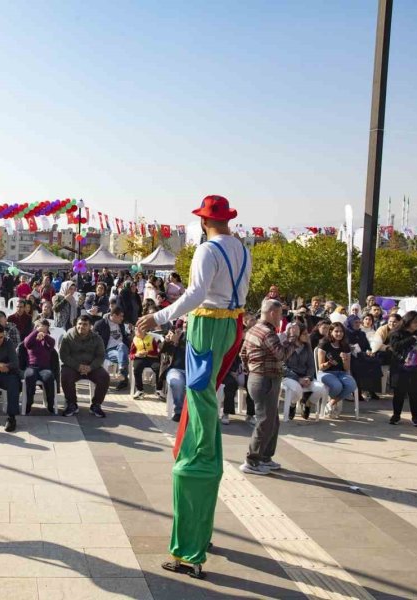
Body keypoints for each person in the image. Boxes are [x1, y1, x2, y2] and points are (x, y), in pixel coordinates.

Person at [136, 195, 251, 576]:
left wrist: (159, 317)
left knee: (199, 393)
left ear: (204, 222)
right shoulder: (242, 249)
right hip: (233, 325)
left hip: (208, 324)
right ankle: (201, 439)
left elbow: (196, 294)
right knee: (205, 392)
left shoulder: (207, 250)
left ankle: (189, 551)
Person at [239, 300, 296, 476]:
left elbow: (243, 354)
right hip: (265, 380)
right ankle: (252, 461)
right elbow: (282, 354)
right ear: (272, 313)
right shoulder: (267, 333)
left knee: (272, 420)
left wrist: (252, 370)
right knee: (264, 421)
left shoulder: (252, 329)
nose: (281, 319)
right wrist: (292, 340)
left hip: (258, 378)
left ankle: (265, 457)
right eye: (280, 314)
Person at [388, 311, 417, 427]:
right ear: (408, 321)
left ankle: (415, 417)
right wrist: (411, 339)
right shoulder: (397, 333)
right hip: (400, 367)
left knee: (415, 394)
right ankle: (396, 415)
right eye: (415, 322)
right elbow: (395, 347)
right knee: (399, 393)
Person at [59, 314, 109, 418]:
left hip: (91, 367)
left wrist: (90, 367)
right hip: (73, 366)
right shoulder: (68, 336)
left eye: (85, 324)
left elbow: (100, 356)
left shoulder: (96, 338)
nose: (81, 326)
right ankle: (72, 404)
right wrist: (78, 366)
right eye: (79, 324)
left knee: (104, 376)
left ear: (90, 326)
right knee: (65, 375)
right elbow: (64, 355)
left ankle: (96, 405)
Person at [283, 323, 327, 420]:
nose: (308, 336)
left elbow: (311, 365)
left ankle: (307, 403)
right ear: (298, 334)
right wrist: (298, 379)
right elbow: (282, 366)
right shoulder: (287, 346)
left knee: (321, 389)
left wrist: (308, 377)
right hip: (289, 377)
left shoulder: (307, 347)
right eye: (305, 334)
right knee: (297, 389)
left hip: (305, 377)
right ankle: (292, 404)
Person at [316, 323, 357, 418]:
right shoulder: (324, 344)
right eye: (336, 331)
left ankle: (331, 403)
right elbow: (321, 367)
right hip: (326, 373)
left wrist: (345, 359)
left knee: (352, 385)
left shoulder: (345, 346)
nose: (339, 334)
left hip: (341, 373)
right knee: (337, 386)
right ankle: (332, 406)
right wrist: (329, 363)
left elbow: (347, 368)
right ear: (331, 332)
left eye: (341, 331)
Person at [345, 315, 382, 401]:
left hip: (363, 355)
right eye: (355, 322)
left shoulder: (361, 333)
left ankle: (372, 390)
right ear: (350, 323)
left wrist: (369, 351)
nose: (358, 324)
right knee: (359, 365)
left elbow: (367, 346)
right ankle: (358, 392)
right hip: (352, 357)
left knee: (375, 363)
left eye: (359, 322)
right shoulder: (346, 333)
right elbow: (347, 346)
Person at [23, 319, 57, 413]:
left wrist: (45, 336)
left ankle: (50, 403)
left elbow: (52, 343)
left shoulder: (48, 340)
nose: (42, 332)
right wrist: (37, 331)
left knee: (49, 377)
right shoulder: (31, 339)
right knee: (29, 376)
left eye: (45, 330)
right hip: (31, 366)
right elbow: (26, 343)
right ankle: (29, 402)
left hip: (44, 368)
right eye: (40, 329)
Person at [93, 307, 130, 390]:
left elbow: (124, 337)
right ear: (114, 315)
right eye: (120, 316)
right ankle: (123, 377)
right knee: (123, 353)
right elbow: (93, 338)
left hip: (121, 349)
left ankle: (121, 370)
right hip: (108, 350)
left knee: (122, 346)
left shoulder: (120, 324)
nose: (122, 318)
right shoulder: (100, 324)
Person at [159, 324, 187, 418]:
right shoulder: (176, 333)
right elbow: (161, 350)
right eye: (184, 322)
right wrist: (167, 341)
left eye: (188, 322)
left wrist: (178, 342)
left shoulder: (197, 336)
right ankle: (178, 411)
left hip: (192, 370)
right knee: (177, 383)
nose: (185, 324)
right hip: (175, 369)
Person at [130, 323, 160, 399]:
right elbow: (131, 354)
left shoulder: (151, 338)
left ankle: (159, 389)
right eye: (136, 329)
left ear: (144, 330)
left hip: (152, 358)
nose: (137, 331)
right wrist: (136, 355)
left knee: (158, 368)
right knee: (136, 369)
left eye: (139, 329)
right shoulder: (135, 340)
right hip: (140, 358)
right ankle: (140, 390)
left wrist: (148, 352)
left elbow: (157, 352)